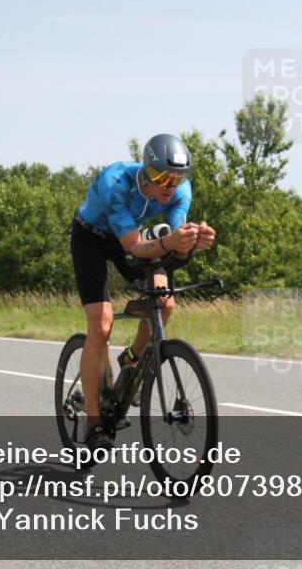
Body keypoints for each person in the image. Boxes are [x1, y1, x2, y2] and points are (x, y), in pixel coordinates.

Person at [71, 133, 216, 450]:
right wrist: (170, 243)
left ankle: (130, 359)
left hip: (133, 236)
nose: (169, 186)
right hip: (92, 238)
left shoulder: (179, 192)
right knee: (102, 324)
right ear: (147, 171)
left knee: (165, 304)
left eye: (177, 178)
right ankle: (94, 422)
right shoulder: (117, 183)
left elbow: (173, 241)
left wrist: (191, 242)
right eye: (163, 176)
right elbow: (135, 245)